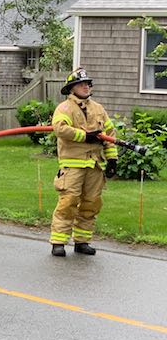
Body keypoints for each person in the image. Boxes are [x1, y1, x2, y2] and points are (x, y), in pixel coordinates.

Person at [49, 68, 118, 257]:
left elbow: (110, 135)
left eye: (88, 84)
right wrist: (84, 137)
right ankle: (58, 242)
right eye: (82, 84)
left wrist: (112, 158)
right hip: (73, 165)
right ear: (72, 88)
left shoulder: (98, 109)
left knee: (91, 203)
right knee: (68, 202)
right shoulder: (64, 108)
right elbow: (60, 129)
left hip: (95, 165)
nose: (86, 87)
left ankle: (82, 241)